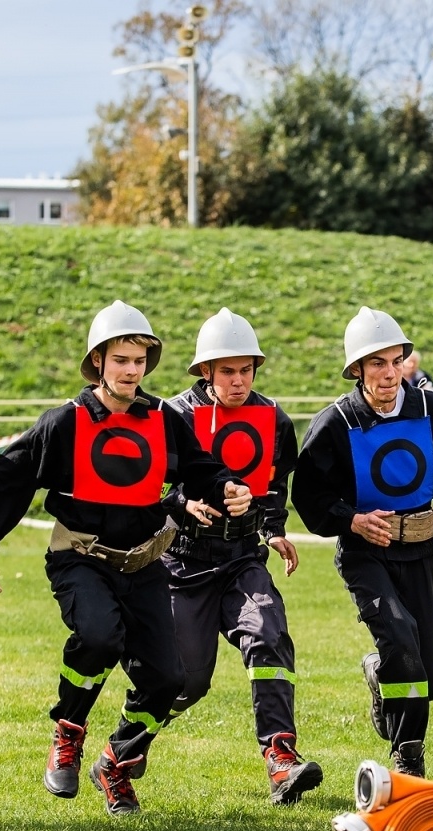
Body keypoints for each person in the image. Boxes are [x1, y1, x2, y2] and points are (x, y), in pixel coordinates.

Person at [0, 301, 253, 816]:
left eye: (139, 361)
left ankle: (116, 761)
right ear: (98, 361)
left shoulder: (163, 418)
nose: (132, 371)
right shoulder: (65, 423)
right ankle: (67, 732)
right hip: (80, 558)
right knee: (98, 636)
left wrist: (227, 485)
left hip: (144, 565)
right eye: (121, 360)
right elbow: (8, 479)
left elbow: (200, 468)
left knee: (169, 681)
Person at [293, 307, 433, 777]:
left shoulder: (430, 408)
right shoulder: (336, 422)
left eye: (396, 361)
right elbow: (309, 494)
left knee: (427, 675)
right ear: (357, 369)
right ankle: (409, 756)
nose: (388, 373)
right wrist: (351, 519)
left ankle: (379, 673)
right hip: (365, 553)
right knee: (402, 643)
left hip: (421, 550)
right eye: (377, 363)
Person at [161, 308, 321, 805]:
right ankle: (119, 756)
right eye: (227, 371)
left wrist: (274, 530)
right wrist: (182, 502)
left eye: (246, 370)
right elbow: (149, 485)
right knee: (184, 681)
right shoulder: (172, 417)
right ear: (205, 371)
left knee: (269, 633)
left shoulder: (275, 420)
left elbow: (274, 485)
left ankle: (280, 757)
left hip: (242, 558)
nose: (238, 381)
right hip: (182, 562)